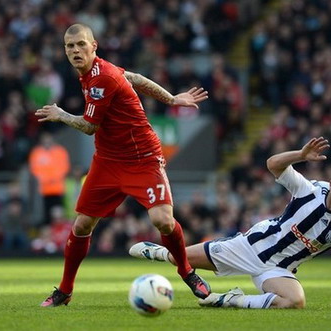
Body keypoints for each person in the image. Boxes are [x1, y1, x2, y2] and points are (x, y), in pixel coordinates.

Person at [129, 137, 331, 309]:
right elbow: (273, 164)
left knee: (295, 301)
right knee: (179, 257)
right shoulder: (309, 189)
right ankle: (158, 252)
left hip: (278, 270)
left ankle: (229, 300)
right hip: (249, 246)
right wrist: (300, 155)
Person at [36, 23, 210, 307]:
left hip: (143, 159)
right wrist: (171, 98)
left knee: (163, 221)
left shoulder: (102, 77)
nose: (76, 50)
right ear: (65, 51)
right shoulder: (95, 72)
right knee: (81, 226)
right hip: (107, 161)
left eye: (81, 44)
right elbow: (136, 77)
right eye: (70, 46)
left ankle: (186, 271)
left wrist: (61, 114)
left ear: (94, 46)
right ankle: (65, 291)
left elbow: (89, 126)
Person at [28, 132, 70, 225]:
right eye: (45, 139)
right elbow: (34, 169)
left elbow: (64, 167)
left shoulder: (60, 151)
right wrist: (46, 178)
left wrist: (53, 177)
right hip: (43, 189)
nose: (47, 141)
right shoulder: (36, 152)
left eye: (48, 139)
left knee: (59, 213)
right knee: (46, 215)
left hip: (58, 188)